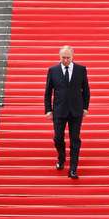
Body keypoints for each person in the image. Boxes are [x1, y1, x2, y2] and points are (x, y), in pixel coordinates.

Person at [43, 45, 90, 179]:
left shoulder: (81, 70)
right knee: (58, 138)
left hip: (76, 111)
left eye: (68, 57)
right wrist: (48, 110)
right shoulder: (53, 70)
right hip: (59, 110)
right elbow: (48, 92)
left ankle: (73, 168)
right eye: (63, 57)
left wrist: (85, 107)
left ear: (73, 56)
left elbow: (86, 90)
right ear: (59, 57)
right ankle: (61, 158)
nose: (66, 60)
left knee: (75, 140)